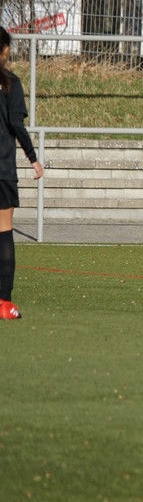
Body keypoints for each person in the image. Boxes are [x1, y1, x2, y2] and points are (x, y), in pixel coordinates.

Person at [0, 26, 45, 320]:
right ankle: (4, 303)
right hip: (2, 168)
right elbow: (17, 124)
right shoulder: (11, 83)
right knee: (4, 231)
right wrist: (33, 158)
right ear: (4, 50)